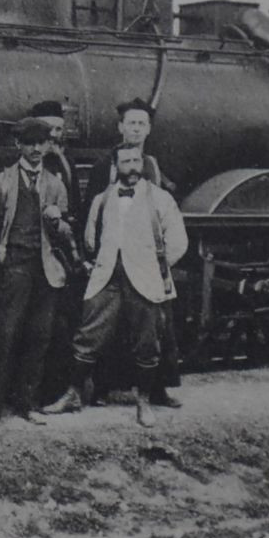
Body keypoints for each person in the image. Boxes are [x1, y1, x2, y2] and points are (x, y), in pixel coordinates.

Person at [43, 145, 188, 428]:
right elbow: (89, 238)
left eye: (137, 161)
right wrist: (100, 262)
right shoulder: (103, 198)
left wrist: (156, 268)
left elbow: (179, 241)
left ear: (143, 164)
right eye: (126, 161)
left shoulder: (160, 198)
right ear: (116, 165)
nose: (132, 166)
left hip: (145, 280)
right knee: (88, 335)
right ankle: (72, 394)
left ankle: (144, 402)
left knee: (147, 340)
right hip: (107, 277)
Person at [84, 97, 183, 408]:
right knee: (106, 325)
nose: (136, 129)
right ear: (120, 127)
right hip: (113, 260)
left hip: (145, 263)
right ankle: (101, 388)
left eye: (142, 123)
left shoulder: (152, 164)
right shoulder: (105, 165)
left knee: (155, 327)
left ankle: (156, 390)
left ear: (148, 129)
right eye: (131, 123)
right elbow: (93, 213)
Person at [0, 117, 74, 430]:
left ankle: (26, 403)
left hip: (45, 270)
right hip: (14, 266)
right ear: (18, 145)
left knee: (39, 337)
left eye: (41, 142)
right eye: (29, 143)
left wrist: (57, 222)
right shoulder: (2, 182)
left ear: (48, 145)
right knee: (4, 336)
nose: (35, 149)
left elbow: (65, 233)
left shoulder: (55, 184)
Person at [28, 98, 87, 404]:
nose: (55, 136)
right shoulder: (39, 167)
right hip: (43, 253)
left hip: (63, 254)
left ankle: (62, 390)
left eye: (59, 129)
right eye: (49, 130)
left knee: (62, 323)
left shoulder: (65, 161)